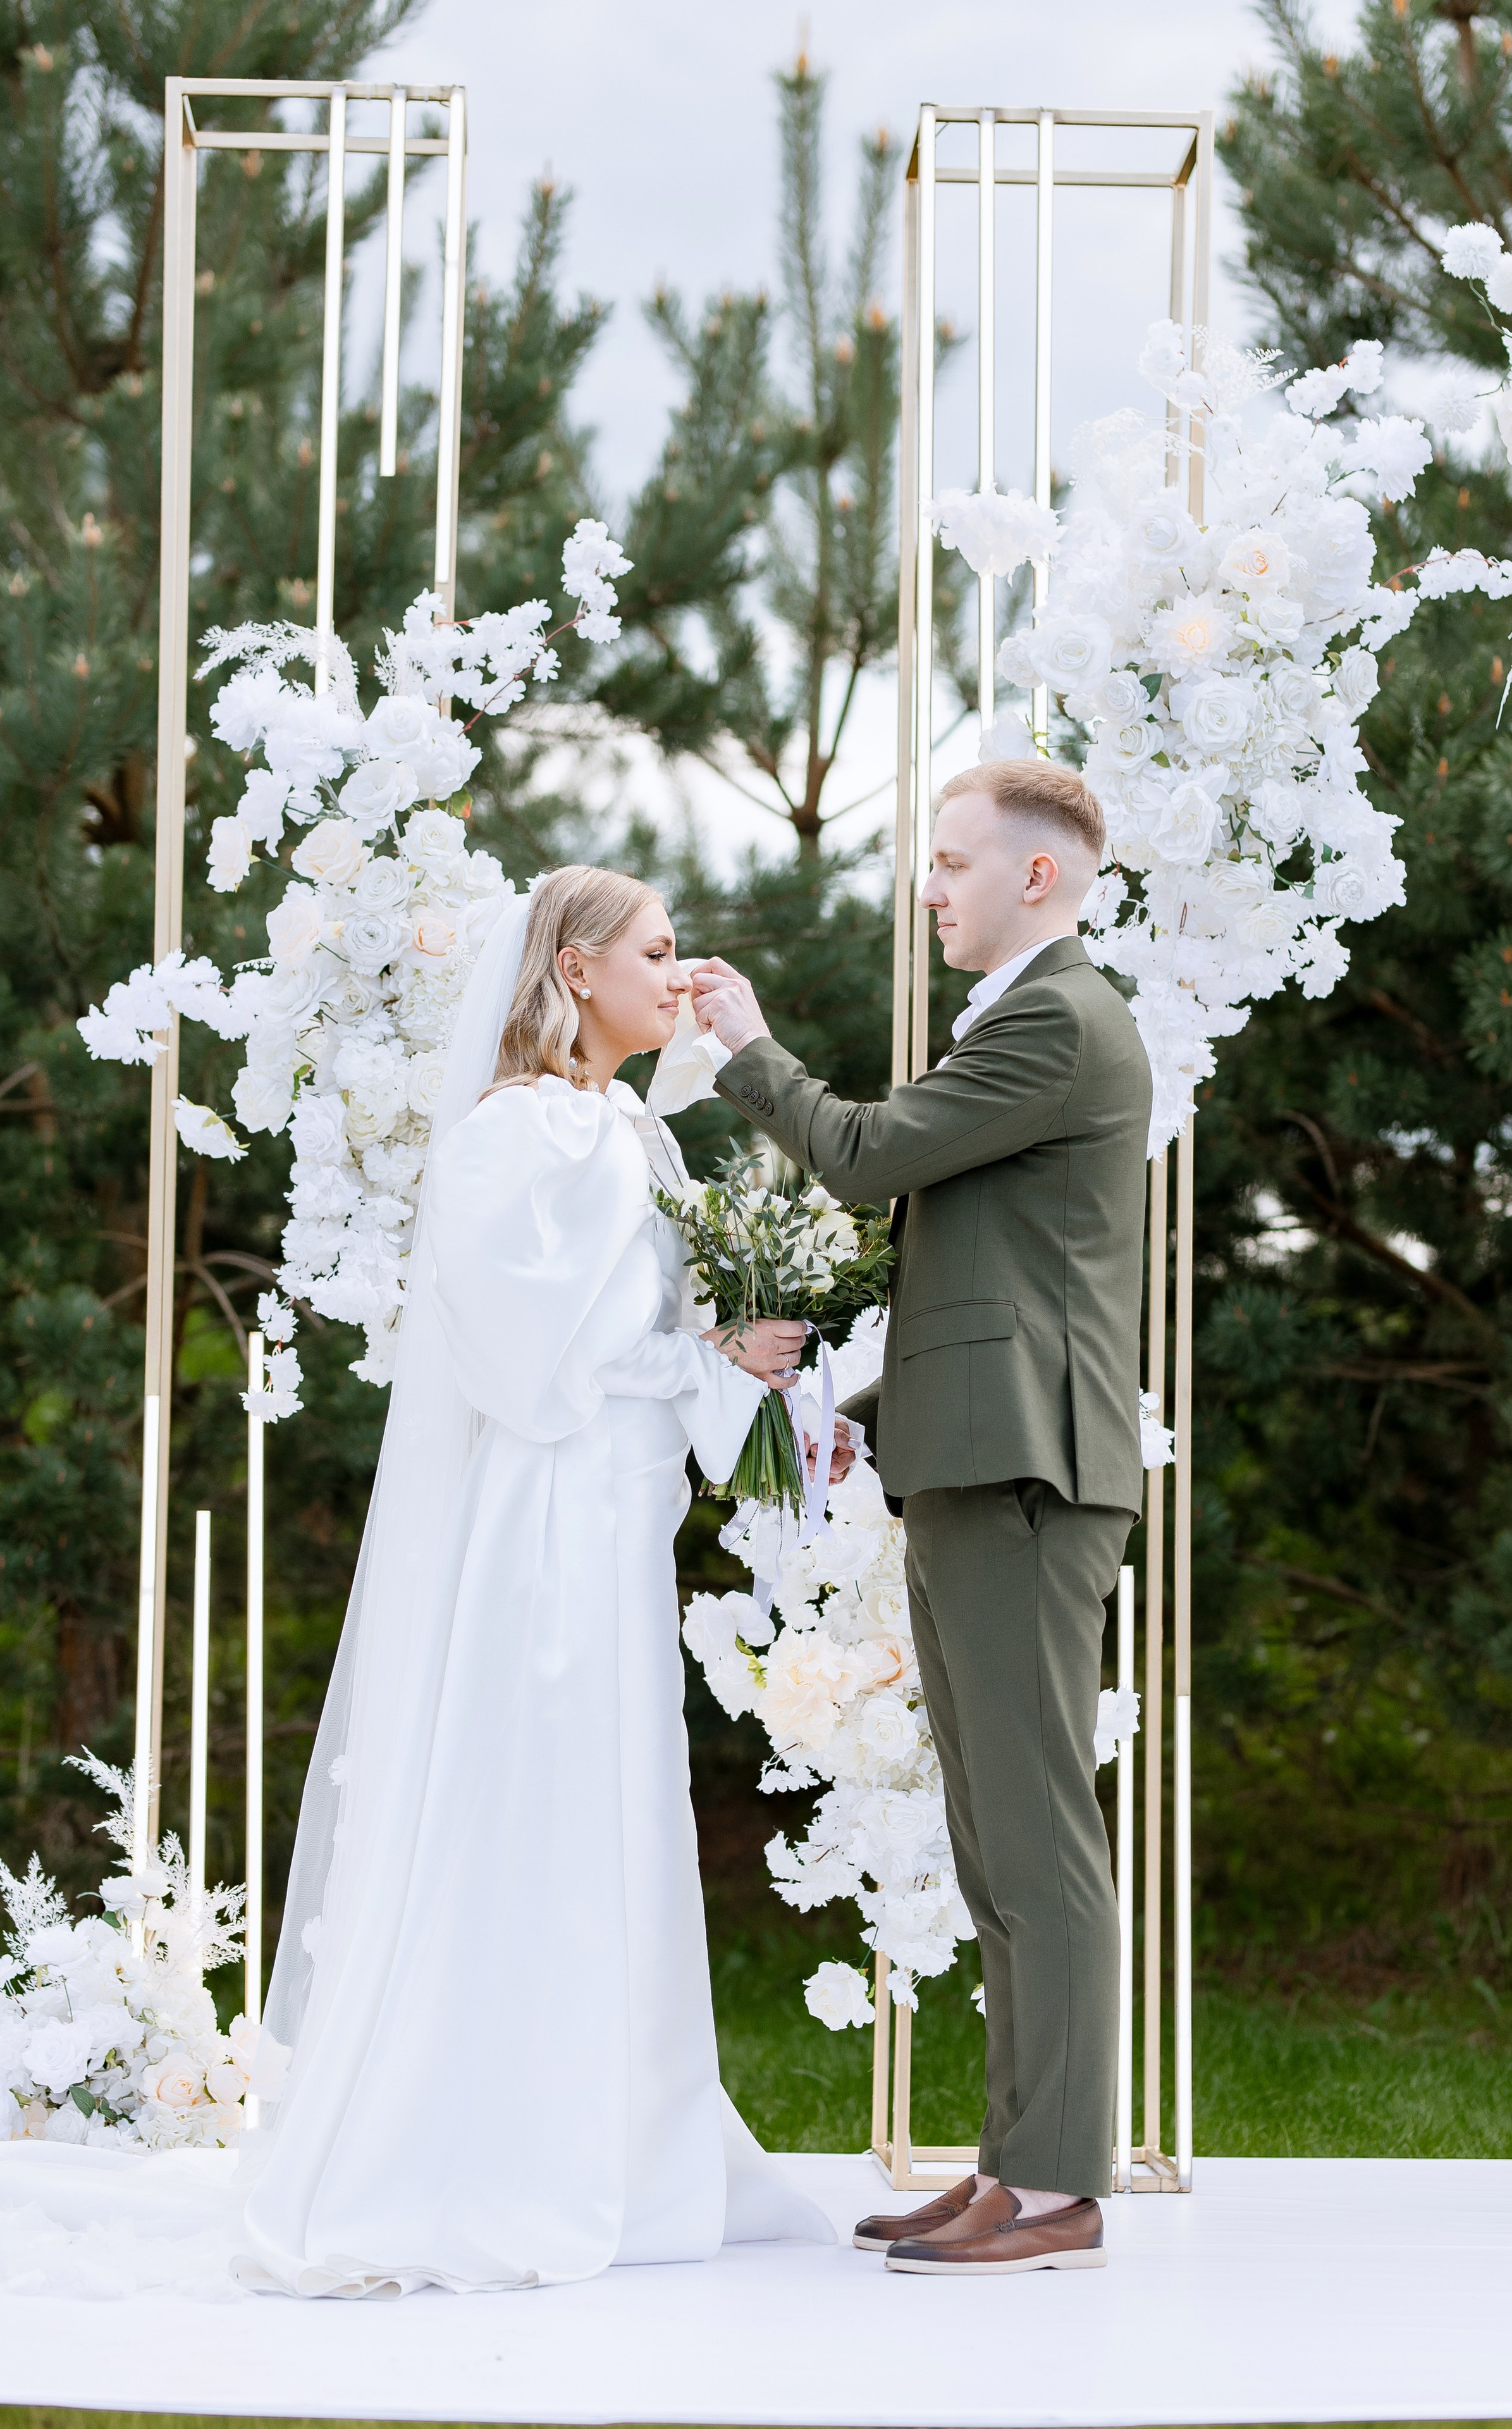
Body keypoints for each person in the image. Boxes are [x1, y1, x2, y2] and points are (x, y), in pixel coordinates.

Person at [234, 867, 835, 2294]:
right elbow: (530, 1360)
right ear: (572, 970)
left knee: (617, 1804)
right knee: (546, 1792)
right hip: (549, 1520)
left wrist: (734, 1358)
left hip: (614, 1516)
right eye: (657, 951)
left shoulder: (627, 1128)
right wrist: (699, 1358)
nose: (680, 976)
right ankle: (499, 2149)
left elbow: (647, 1330)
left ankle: (624, 2138)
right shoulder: (518, 1136)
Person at [691, 760, 1152, 2278]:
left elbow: (868, 1153)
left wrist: (746, 1046)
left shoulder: (1058, 1019)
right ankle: (1014, 2167)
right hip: (974, 1462)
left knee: (1035, 1841)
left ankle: (1055, 2188)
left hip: (1027, 1474)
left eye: (951, 864)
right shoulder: (1027, 1020)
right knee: (994, 1839)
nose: (930, 888)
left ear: (1038, 878)